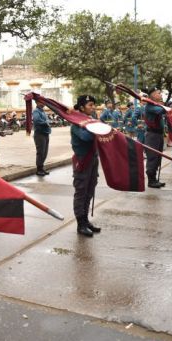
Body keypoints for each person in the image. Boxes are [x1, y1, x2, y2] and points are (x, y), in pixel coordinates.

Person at [71, 95, 101, 238]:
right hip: (83, 160)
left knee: (90, 190)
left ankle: (86, 220)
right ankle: (80, 223)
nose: (93, 107)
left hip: (93, 159)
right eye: (90, 105)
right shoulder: (76, 122)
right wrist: (95, 127)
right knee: (81, 191)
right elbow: (86, 137)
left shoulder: (90, 120)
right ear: (82, 107)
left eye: (94, 105)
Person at [144, 87, 167, 188]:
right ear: (152, 95)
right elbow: (162, 110)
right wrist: (163, 106)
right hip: (152, 135)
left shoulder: (154, 105)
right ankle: (151, 180)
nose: (161, 95)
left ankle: (155, 179)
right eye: (159, 93)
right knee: (152, 158)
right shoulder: (150, 106)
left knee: (158, 158)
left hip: (158, 135)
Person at [32, 100, 52, 176]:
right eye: (41, 102)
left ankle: (42, 168)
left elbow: (47, 120)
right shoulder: (36, 111)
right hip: (40, 134)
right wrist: (46, 122)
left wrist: (47, 121)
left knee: (45, 152)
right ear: (37, 102)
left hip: (45, 134)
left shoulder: (42, 111)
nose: (43, 103)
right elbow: (37, 121)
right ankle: (39, 169)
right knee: (40, 152)